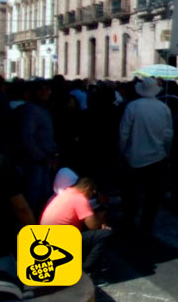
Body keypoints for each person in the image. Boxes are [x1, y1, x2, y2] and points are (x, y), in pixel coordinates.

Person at [119, 77, 173, 234]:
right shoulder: (164, 108)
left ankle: (129, 221)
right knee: (153, 195)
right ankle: (147, 224)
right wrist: (167, 152)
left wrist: (122, 151)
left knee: (131, 193)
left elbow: (124, 132)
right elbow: (168, 134)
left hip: (134, 156)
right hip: (157, 156)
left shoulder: (132, 107)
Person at [40, 176, 111, 274]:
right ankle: (86, 272)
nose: (93, 194)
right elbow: (93, 225)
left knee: (88, 234)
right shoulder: (79, 199)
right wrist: (102, 217)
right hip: (59, 241)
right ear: (87, 188)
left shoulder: (66, 193)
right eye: (92, 191)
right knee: (105, 235)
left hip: (46, 239)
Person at [17, 80, 58, 214]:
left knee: (42, 195)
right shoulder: (31, 110)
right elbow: (27, 137)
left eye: (48, 89)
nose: (47, 93)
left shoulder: (42, 110)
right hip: (34, 162)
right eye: (43, 90)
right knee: (33, 196)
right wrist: (41, 156)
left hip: (44, 160)